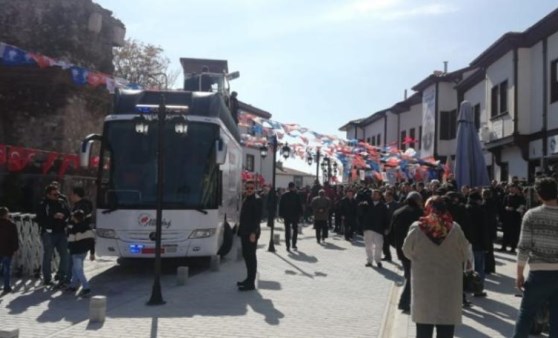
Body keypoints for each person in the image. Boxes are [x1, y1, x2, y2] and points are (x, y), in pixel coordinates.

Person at [403, 196, 470, 338]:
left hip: (424, 286)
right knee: (446, 330)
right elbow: (465, 254)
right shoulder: (455, 228)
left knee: (423, 330)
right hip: (449, 287)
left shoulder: (417, 227)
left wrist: (419, 260)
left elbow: (406, 250)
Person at [513, 177, 558, 338]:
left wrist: (519, 274)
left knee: (526, 314)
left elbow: (524, 248)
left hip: (538, 273)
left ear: (539, 195)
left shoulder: (531, 215)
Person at [392, 191, 423, 313]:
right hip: (415, 250)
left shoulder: (397, 212)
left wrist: (396, 246)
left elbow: (390, 232)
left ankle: (409, 301)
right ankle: (404, 302)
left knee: (409, 275)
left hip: (401, 249)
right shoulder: (419, 213)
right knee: (412, 277)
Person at [36, 185, 71, 288]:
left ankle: (61, 276)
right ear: (48, 195)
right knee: (48, 256)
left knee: (65, 254)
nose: (57, 196)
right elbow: (40, 219)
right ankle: (47, 279)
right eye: (55, 194)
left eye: (58, 194)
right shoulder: (43, 204)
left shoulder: (62, 202)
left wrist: (64, 217)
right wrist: (53, 217)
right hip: (49, 233)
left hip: (61, 232)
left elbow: (68, 213)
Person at [237, 180, 262, 291]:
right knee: (246, 256)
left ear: (255, 188)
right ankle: (248, 279)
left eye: (251, 188)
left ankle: (251, 283)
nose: (249, 190)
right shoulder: (246, 198)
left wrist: (253, 233)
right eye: (247, 188)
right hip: (244, 231)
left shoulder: (257, 200)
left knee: (251, 257)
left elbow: (257, 219)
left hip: (251, 233)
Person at [466, 191, 491, 297]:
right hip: (478, 243)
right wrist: (487, 245)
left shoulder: (464, 209)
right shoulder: (480, 211)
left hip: (466, 242)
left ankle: (466, 289)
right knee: (479, 267)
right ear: (478, 200)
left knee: (467, 267)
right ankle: (478, 289)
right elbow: (484, 230)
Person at [66, 210, 95, 297]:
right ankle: (73, 285)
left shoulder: (73, 228)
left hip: (76, 252)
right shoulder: (88, 228)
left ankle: (86, 288)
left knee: (78, 270)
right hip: (84, 251)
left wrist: (69, 249)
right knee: (75, 269)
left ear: (74, 218)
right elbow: (91, 241)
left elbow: (70, 240)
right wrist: (92, 253)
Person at [361, 190, 389, 268]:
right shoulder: (367, 203)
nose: (373, 196)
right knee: (368, 246)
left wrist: (386, 227)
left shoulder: (383, 206)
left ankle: (378, 260)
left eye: (376, 194)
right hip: (368, 227)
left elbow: (386, 218)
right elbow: (360, 213)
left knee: (379, 246)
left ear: (380, 196)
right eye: (373, 194)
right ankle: (369, 261)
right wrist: (363, 205)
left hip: (378, 229)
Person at [501, 184, 526, 253]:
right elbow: (503, 206)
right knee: (506, 232)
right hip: (507, 217)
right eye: (511, 188)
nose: (512, 189)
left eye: (513, 188)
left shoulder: (520, 198)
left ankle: (513, 247)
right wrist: (506, 208)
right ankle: (504, 246)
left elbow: (521, 208)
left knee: (514, 233)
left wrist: (514, 209)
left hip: (515, 218)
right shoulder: (506, 196)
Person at [279, 182, 303, 252]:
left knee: (287, 230)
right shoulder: (296, 195)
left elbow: (281, 205)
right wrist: (301, 214)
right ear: (293, 187)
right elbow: (299, 205)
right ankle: (293, 244)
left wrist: (281, 214)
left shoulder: (284, 195)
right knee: (294, 230)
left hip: (287, 215)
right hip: (294, 215)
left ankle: (288, 246)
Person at [0, 207, 19, 293]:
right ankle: (6, 286)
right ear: (6, 214)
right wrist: (15, 248)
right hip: (7, 250)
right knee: (7, 269)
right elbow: (14, 238)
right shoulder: (11, 225)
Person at [383, 190, 399, 261]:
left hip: (393, 227)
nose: (385, 197)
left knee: (395, 243)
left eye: (386, 196)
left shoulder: (396, 205)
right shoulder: (385, 204)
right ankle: (387, 256)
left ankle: (402, 256)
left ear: (390, 196)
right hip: (386, 226)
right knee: (385, 243)